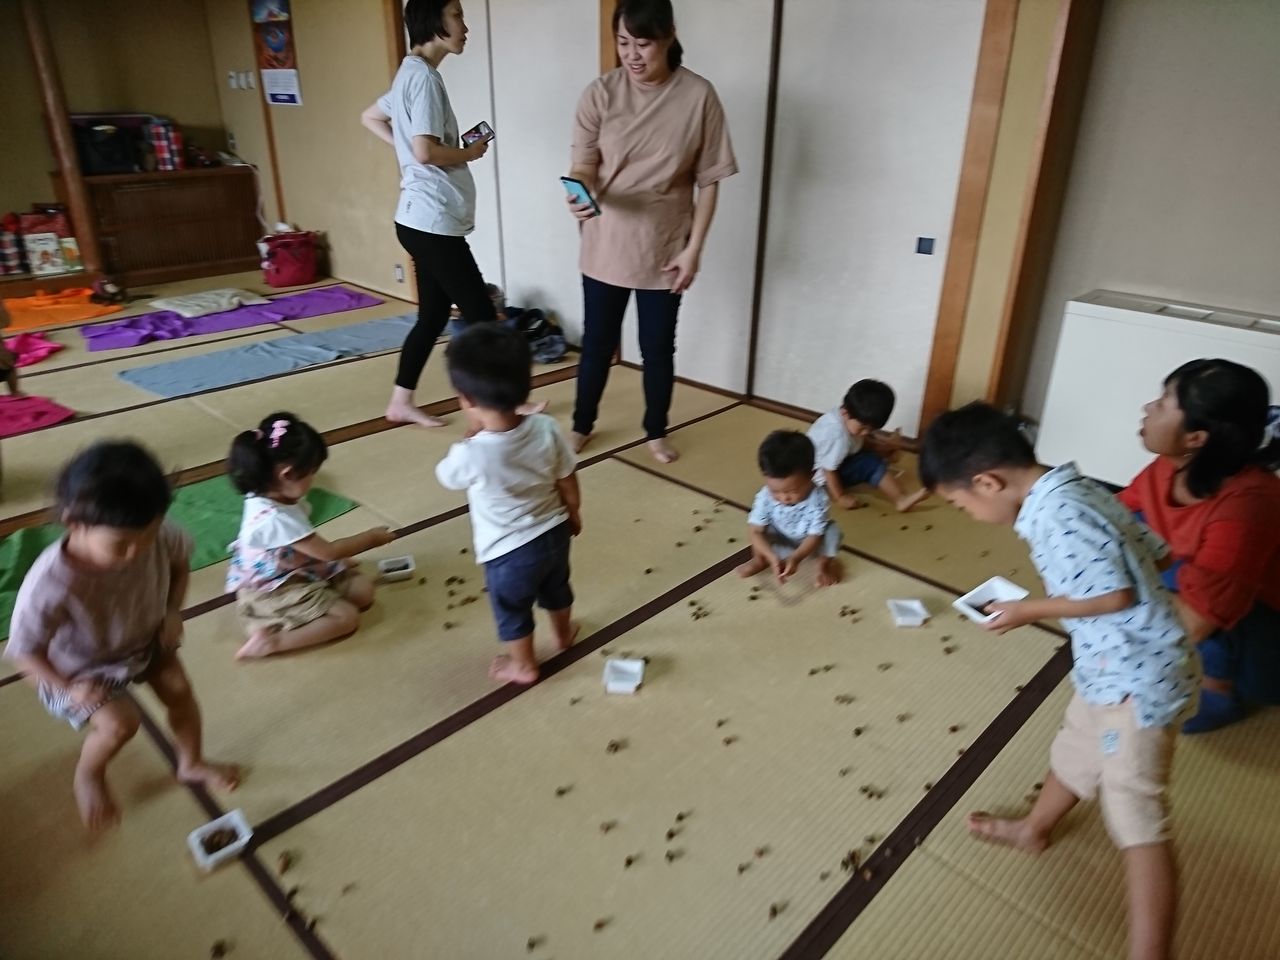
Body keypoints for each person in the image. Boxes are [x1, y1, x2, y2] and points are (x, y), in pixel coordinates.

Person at [919, 403, 1198, 960]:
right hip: (1106, 664)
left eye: (960, 504)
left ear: (987, 482)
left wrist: (1029, 611)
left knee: (1135, 813)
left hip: (1135, 679)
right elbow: (1153, 552)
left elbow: (1116, 595)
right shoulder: (1075, 487)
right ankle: (1034, 829)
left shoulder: (1058, 514)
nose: (967, 514)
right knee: (1075, 748)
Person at [3, 442, 239, 830]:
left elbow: (179, 563)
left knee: (179, 689)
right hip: (77, 669)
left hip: (143, 640)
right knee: (120, 725)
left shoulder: (156, 533)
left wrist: (170, 609)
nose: (135, 553)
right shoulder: (50, 583)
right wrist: (69, 687)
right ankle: (88, 774)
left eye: (145, 539)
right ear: (75, 523)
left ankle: (191, 763)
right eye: (121, 545)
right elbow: (25, 654)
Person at [565, 0, 737, 464]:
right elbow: (583, 165)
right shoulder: (600, 93)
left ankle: (656, 430)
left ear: (668, 36)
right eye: (623, 43)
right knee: (598, 343)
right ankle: (582, 425)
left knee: (658, 348)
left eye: (642, 43)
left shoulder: (699, 96)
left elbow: (710, 180)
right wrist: (578, 190)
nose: (632, 54)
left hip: (665, 247)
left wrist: (694, 250)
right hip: (606, 241)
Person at [1118, 358, 1280, 733]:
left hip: (1266, 632)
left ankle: (1218, 686)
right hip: (1211, 588)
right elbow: (1120, 515)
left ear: (1196, 438)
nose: (1147, 408)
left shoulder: (1246, 507)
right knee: (1134, 535)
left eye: (1162, 403)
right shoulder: (1171, 465)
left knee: (1155, 715)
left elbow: (1193, 623)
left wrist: (1116, 598)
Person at [361, 0, 495, 429]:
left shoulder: (409, 72)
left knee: (434, 316)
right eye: (457, 15)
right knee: (481, 316)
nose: (464, 25)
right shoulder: (425, 80)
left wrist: (408, 154)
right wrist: (469, 152)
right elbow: (424, 150)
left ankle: (401, 401)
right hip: (432, 221)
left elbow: (371, 117)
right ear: (434, 20)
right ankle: (502, 406)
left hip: (416, 219)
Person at [436, 324, 580, 685]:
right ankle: (563, 635)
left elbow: (446, 477)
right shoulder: (545, 427)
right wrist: (574, 513)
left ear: (466, 400)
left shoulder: (470, 454)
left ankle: (524, 665)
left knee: (513, 609)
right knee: (557, 587)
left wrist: (467, 439)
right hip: (554, 533)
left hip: (506, 551)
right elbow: (566, 476)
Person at [226, 413, 393, 660]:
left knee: (363, 592)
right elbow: (328, 552)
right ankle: (273, 641)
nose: (314, 479)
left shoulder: (273, 492)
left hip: (296, 569)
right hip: (274, 589)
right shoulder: (274, 517)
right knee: (346, 618)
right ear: (287, 474)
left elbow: (308, 546)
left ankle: (311, 605)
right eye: (311, 473)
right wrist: (371, 538)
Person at [737, 430, 842, 587]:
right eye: (775, 491)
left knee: (833, 531)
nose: (783, 498)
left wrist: (797, 558)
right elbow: (755, 532)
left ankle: (823, 567)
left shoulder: (818, 499)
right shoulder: (765, 496)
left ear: (812, 475)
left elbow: (815, 536)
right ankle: (760, 560)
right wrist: (772, 557)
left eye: (792, 491)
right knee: (760, 529)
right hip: (779, 539)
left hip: (809, 544)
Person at [808, 379, 929, 513]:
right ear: (845, 413)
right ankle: (901, 499)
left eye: (871, 428)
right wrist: (840, 497)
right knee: (870, 464)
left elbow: (860, 439)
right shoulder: (837, 436)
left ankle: (886, 452)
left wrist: (879, 445)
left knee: (865, 441)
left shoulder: (846, 416)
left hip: (837, 459)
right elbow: (829, 470)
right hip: (823, 480)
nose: (865, 431)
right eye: (863, 427)